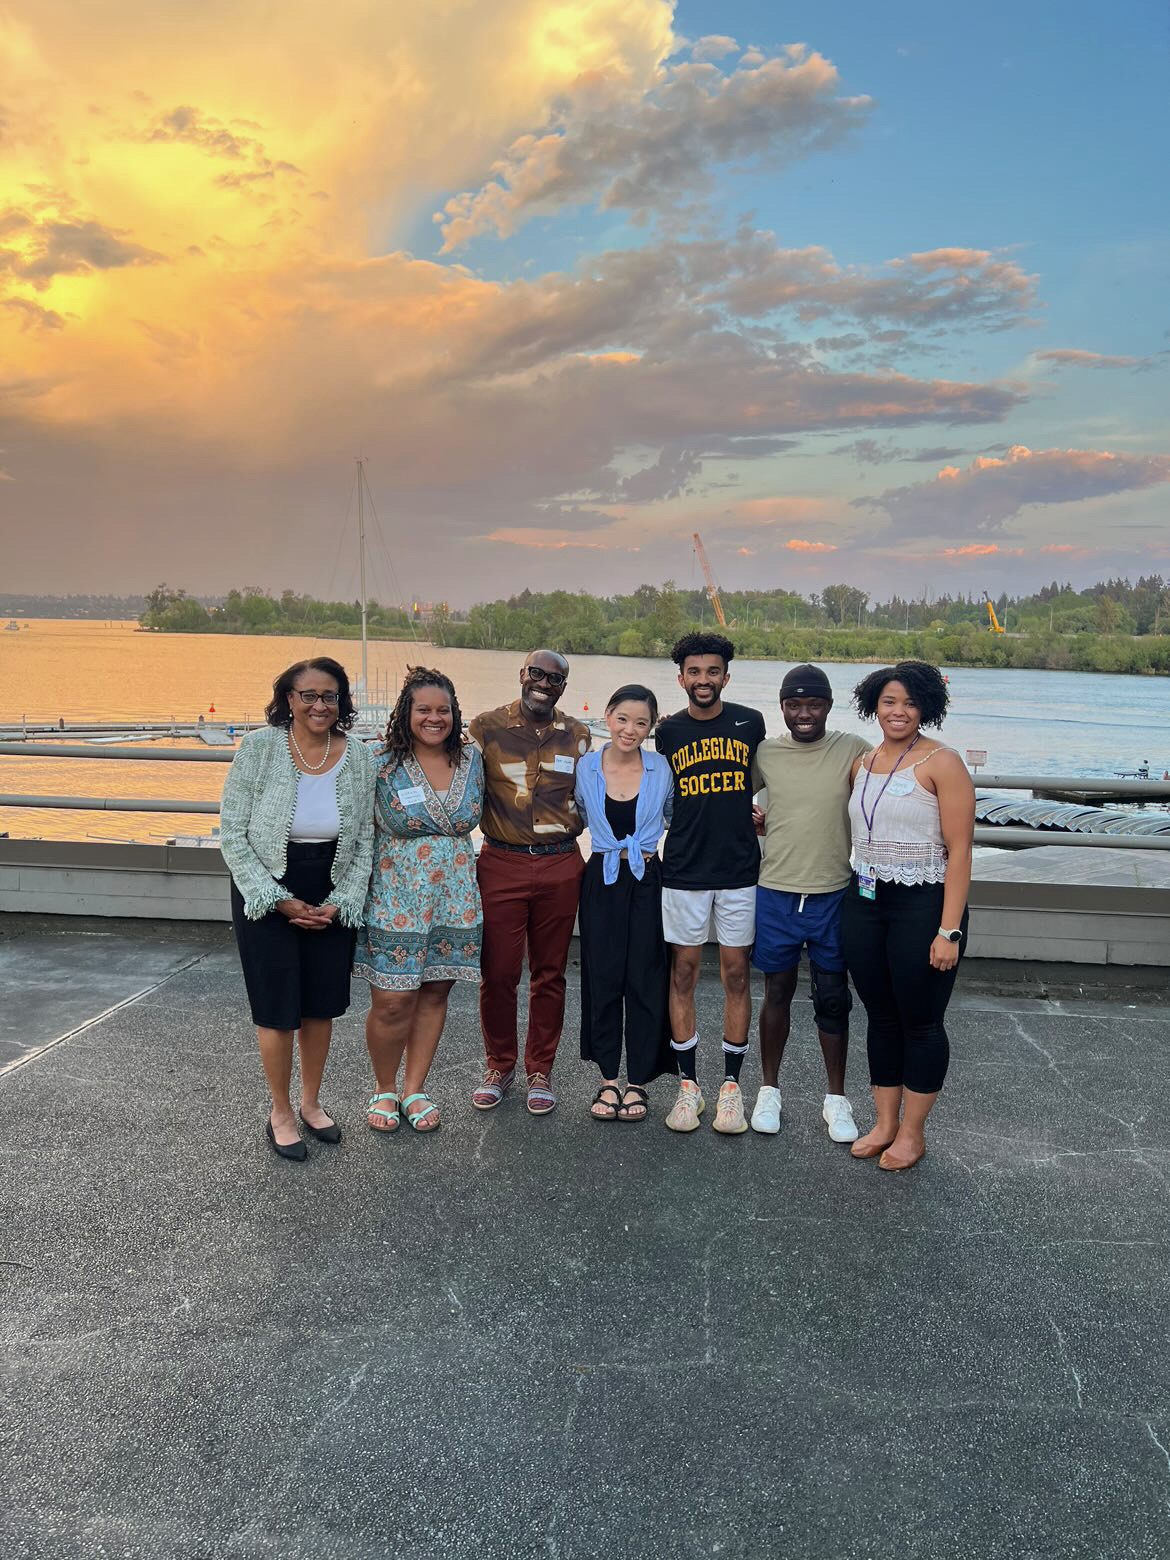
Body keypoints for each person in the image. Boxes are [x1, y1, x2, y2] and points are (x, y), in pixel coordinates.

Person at [220, 658, 375, 1161]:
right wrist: (276, 899)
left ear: (341, 701)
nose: (319, 705)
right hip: (265, 886)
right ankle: (280, 1110)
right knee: (277, 1008)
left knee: (319, 1006)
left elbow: (366, 840)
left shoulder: (360, 757)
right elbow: (233, 833)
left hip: (329, 885)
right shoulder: (261, 748)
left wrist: (340, 902)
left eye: (329, 696)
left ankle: (311, 1103)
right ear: (288, 698)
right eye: (308, 695)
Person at [841, 660, 975, 1172]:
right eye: (889, 701)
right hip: (867, 901)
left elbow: (961, 851)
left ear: (927, 707)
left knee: (921, 1021)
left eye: (910, 703)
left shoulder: (943, 762)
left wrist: (950, 929)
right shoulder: (864, 761)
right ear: (874, 704)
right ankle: (885, 1123)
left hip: (925, 905)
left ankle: (913, 1134)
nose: (898, 712)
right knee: (879, 1015)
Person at [354, 668, 484, 1134]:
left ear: (455, 713)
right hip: (394, 894)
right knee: (392, 1000)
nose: (434, 718)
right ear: (405, 713)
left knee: (434, 992)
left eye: (443, 710)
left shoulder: (472, 759)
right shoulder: (378, 761)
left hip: (455, 898)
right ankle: (383, 1088)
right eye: (424, 709)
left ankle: (414, 1089)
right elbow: (352, 826)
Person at [749, 665, 871, 1142]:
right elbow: (733, 793)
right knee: (776, 993)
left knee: (833, 997)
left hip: (833, 892)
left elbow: (891, 781)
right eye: (795, 705)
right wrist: (752, 814)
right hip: (776, 889)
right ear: (782, 707)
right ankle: (769, 1090)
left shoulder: (853, 749)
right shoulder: (766, 753)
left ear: (828, 706)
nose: (804, 713)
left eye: (814, 704)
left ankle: (836, 1100)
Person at [468, 650, 590, 1116]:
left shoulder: (578, 735)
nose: (544, 683)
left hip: (560, 864)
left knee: (550, 973)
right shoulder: (485, 728)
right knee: (498, 972)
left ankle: (541, 1068)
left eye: (555, 678)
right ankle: (499, 1064)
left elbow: (596, 792)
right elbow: (443, 765)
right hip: (502, 862)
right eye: (536, 673)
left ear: (564, 686)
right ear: (522, 675)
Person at [655, 632, 766, 1134]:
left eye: (712, 671)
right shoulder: (668, 731)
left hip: (739, 870)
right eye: (694, 672)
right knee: (682, 974)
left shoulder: (750, 723)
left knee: (736, 974)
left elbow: (772, 779)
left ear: (726, 675)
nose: (704, 680)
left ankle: (730, 1088)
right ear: (681, 678)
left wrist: (763, 812)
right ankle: (688, 1087)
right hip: (683, 868)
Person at [574, 684, 674, 1123]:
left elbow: (672, 813)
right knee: (603, 975)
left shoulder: (661, 768)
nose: (630, 729)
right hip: (602, 875)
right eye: (622, 719)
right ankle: (608, 1078)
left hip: (648, 875)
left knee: (647, 976)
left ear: (651, 727)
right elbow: (577, 811)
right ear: (607, 715)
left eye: (641, 722)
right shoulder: (585, 767)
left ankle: (639, 1081)